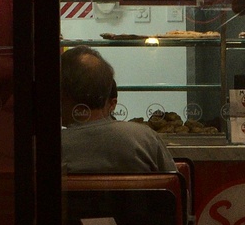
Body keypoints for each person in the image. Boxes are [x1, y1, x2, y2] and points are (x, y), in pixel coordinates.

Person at [60, 45, 179, 173]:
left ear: (63, 95)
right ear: (107, 89)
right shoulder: (145, 139)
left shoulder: (51, 148)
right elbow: (175, 188)